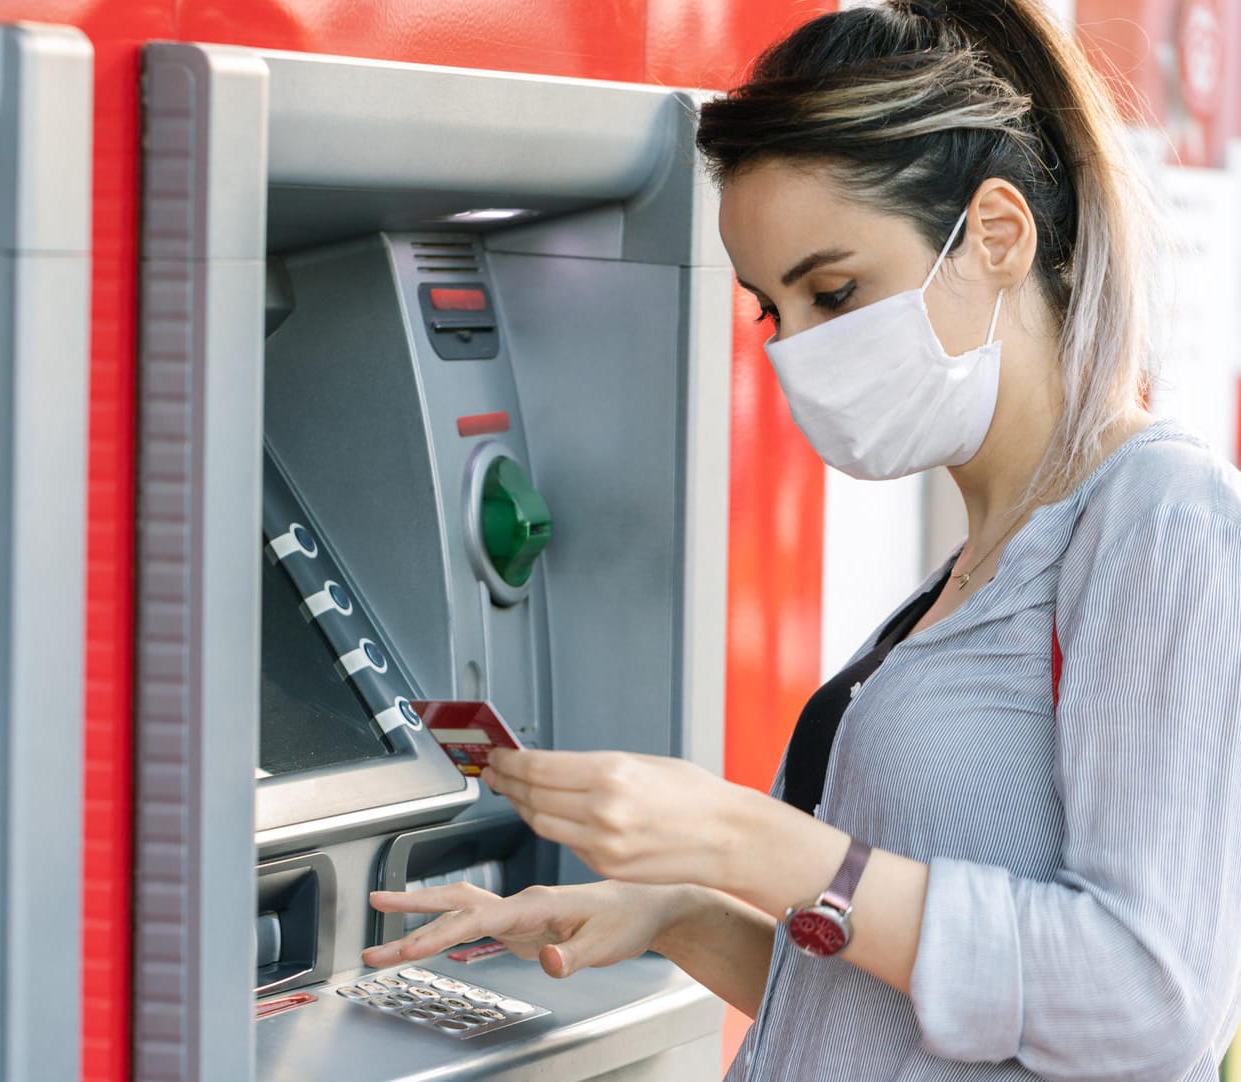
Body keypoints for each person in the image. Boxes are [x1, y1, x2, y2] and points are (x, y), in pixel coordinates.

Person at [362, 0, 1241, 1077]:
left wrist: (748, 841)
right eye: (773, 310)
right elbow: (896, 1013)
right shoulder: (975, 568)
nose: (800, 354)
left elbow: (1148, 1000)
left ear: (998, 235)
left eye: (836, 290)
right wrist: (680, 912)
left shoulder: (1166, 520)